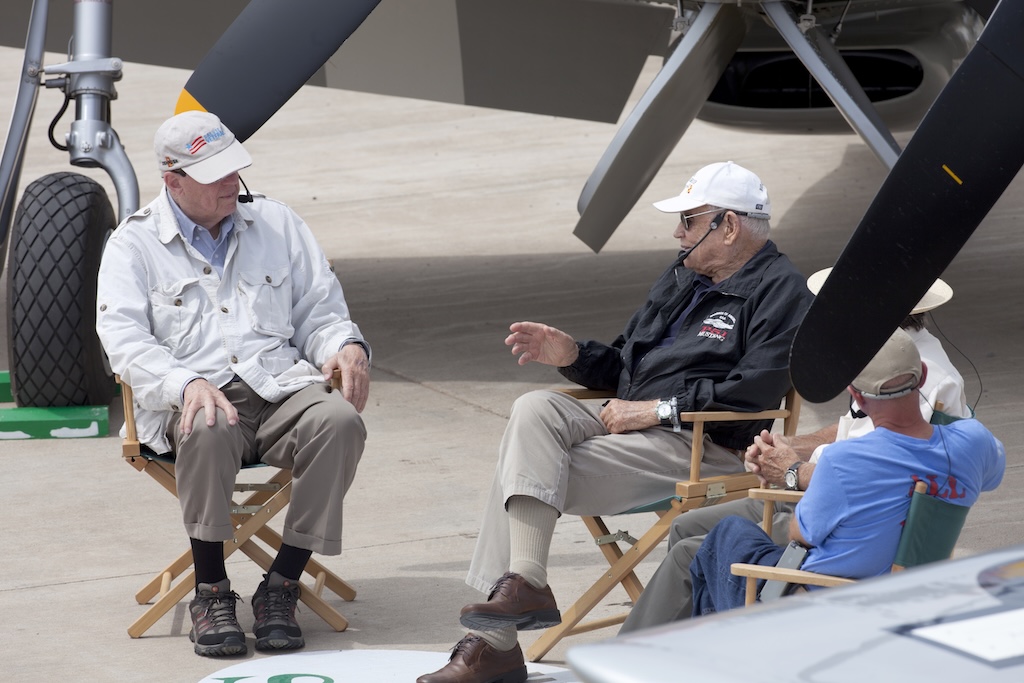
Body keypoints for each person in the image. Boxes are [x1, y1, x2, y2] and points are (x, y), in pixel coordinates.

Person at [417, 161, 814, 683]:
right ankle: (527, 580)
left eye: (689, 222)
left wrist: (658, 410)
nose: (678, 233)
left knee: (521, 471)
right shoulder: (682, 275)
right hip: (628, 423)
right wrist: (571, 355)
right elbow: (627, 366)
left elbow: (754, 392)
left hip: (699, 440)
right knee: (533, 409)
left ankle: (494, 642)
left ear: (730, 225)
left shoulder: (784, 292)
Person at [96, 111, 370, 657]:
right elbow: (121, 339)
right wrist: (185, 382)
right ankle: (211, 590)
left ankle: (283, 583)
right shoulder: (133, 244)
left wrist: (345, 344)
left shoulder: (278, 222)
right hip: (198, 396)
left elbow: (319, 310)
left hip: (280, 387)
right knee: (207, 423)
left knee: (340, 421)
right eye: (215, 174)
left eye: (235, 170)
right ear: (172, 180)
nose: (232, 184)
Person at [620, 271, 970, 632]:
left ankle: (635, 658)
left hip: (845, 519)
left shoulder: (922, 377)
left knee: (692, 550)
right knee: (685, 525)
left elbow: (888, 478)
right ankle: (688, 646)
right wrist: (792, 446)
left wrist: (793, 471)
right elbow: (857, 431)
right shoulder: (892, 357)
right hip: (826, 498)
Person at [689, 327, 1004, 614]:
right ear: (922, 375)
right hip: (906, 599)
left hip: (821, 605)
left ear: (856, 397)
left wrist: (793, 472)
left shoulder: (843, 461)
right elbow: (993, 475)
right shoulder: (975, 443)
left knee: (728, 534)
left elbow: (800, 534)